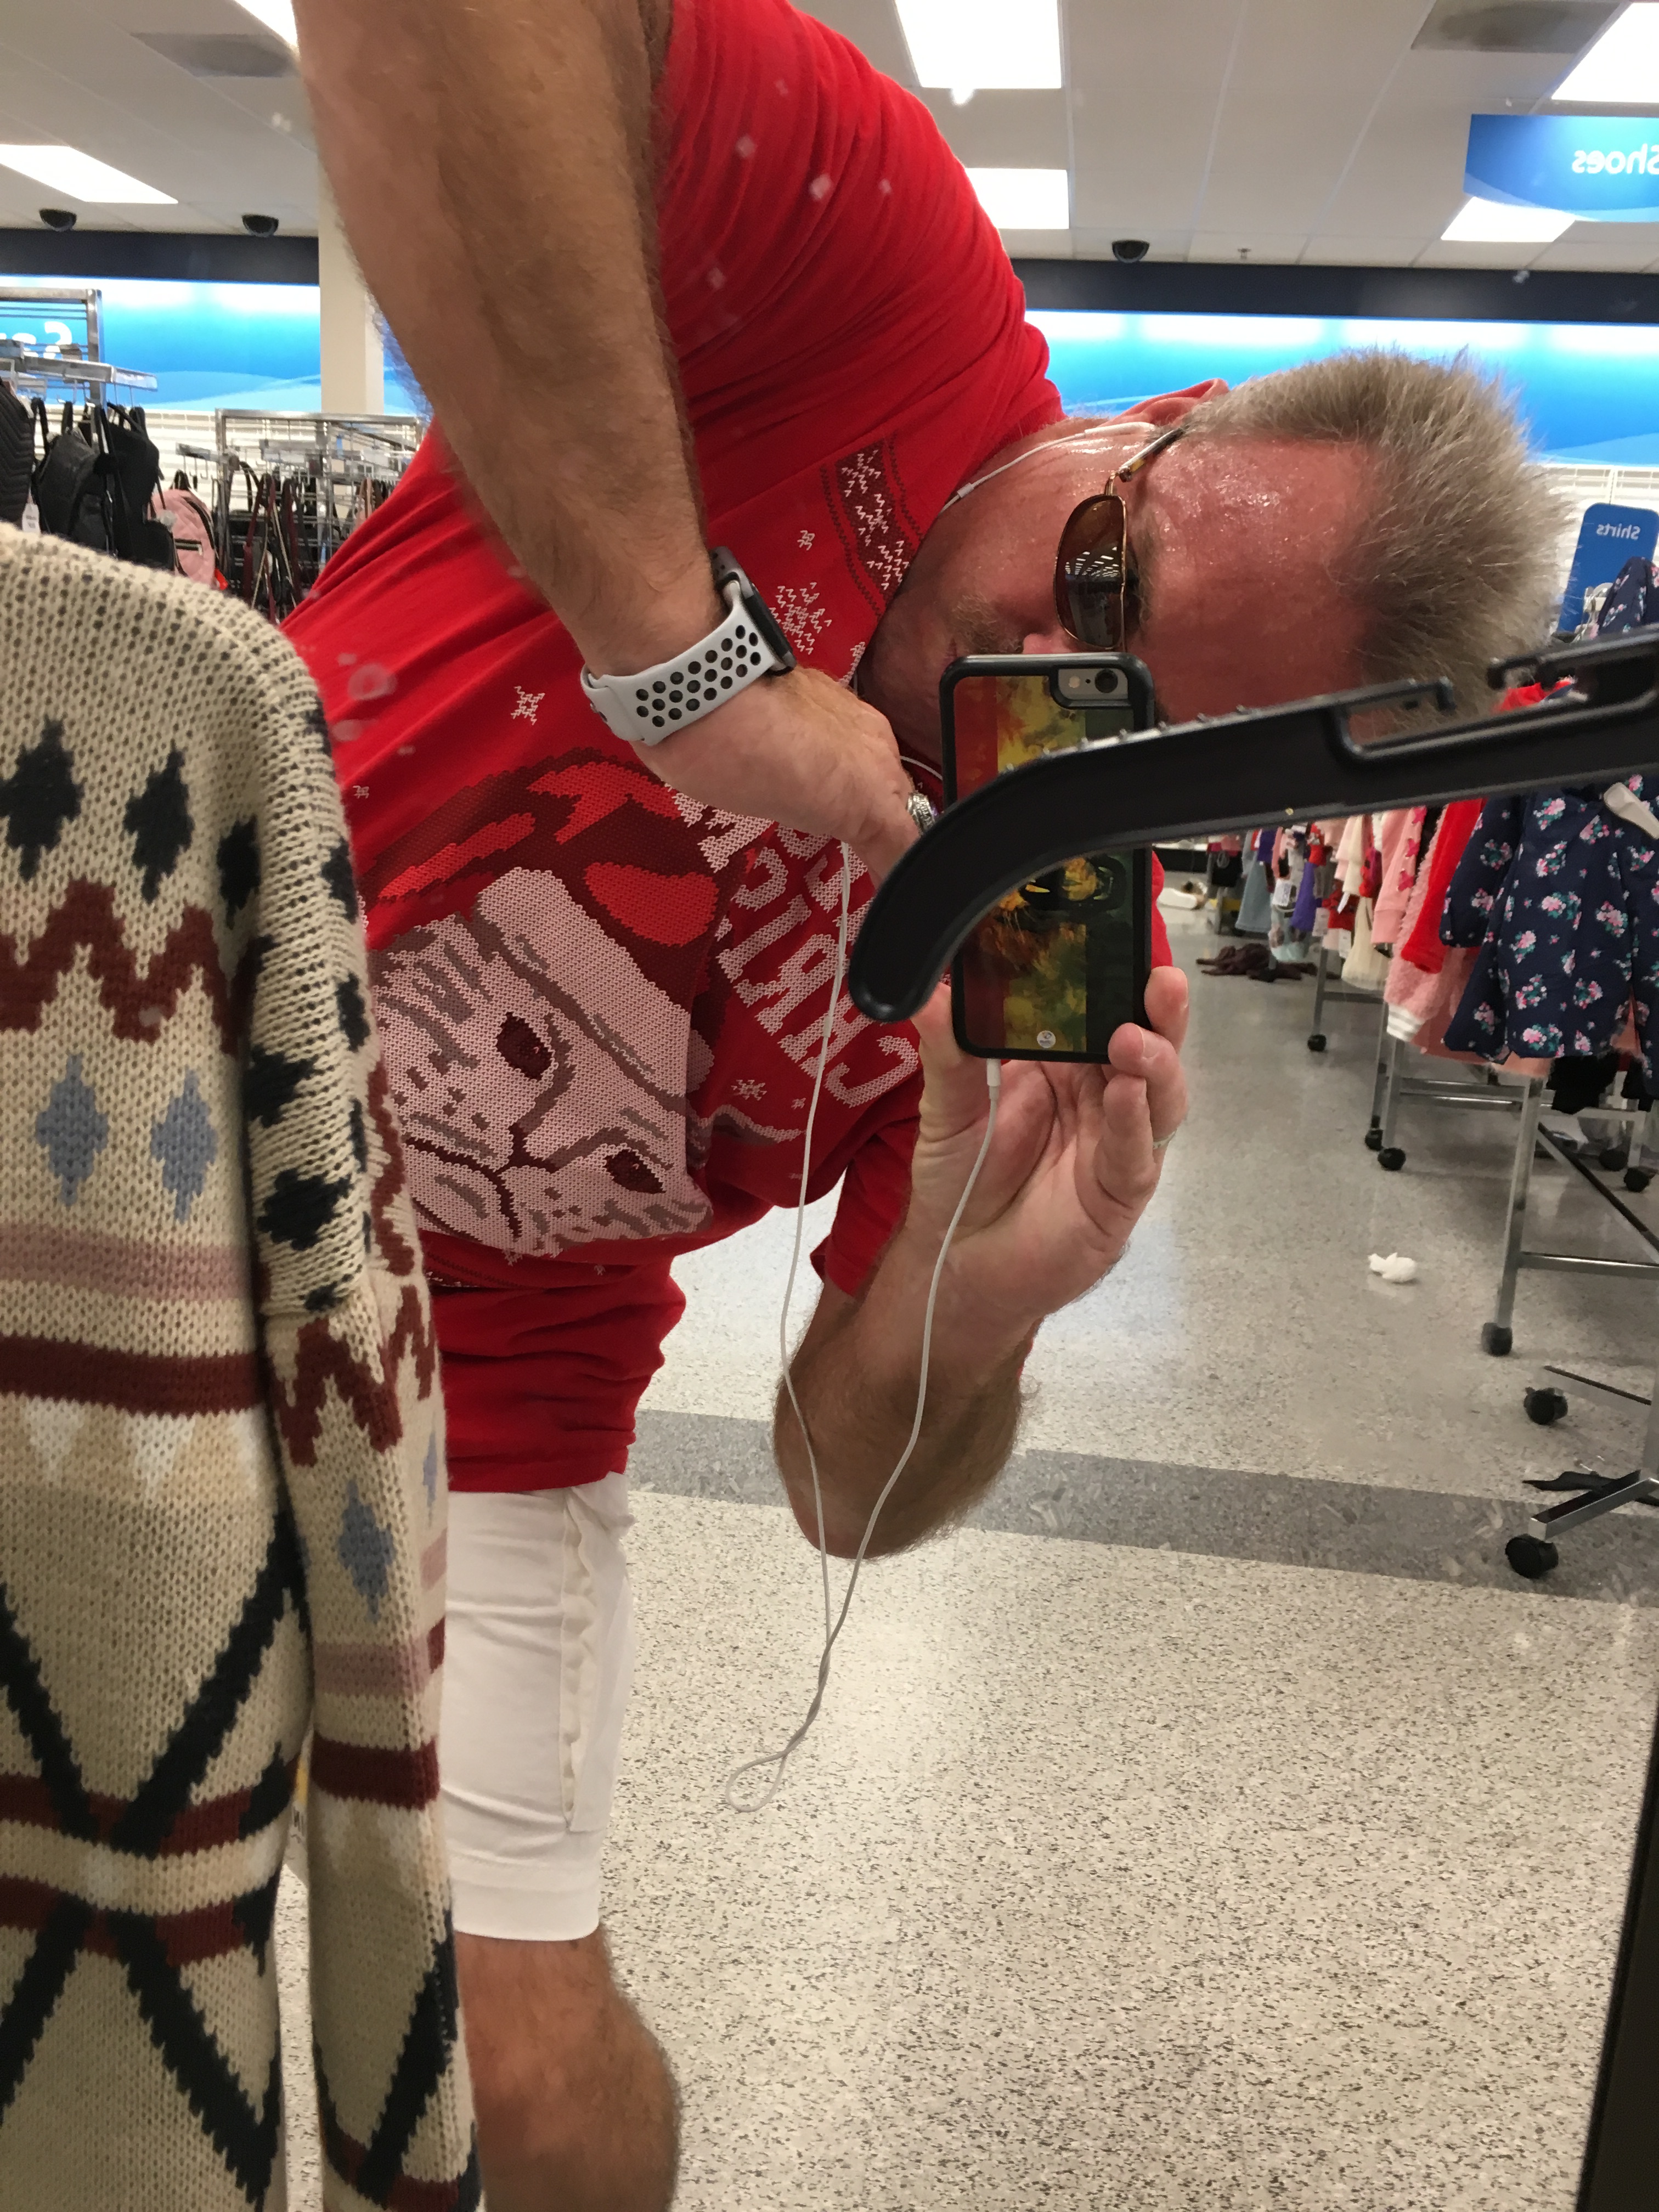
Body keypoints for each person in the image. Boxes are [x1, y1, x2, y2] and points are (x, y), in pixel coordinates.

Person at [286, 3, 1560, 2205]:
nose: (1012, 688)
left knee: (535, 2095)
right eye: (1099, 586)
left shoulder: (1043, 949)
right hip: (134, 1067)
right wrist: (691, 664)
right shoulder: (877, 273)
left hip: (492, 1382)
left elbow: (840, 1494)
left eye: (1122, 737)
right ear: (1155, 422)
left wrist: (972, 1292)